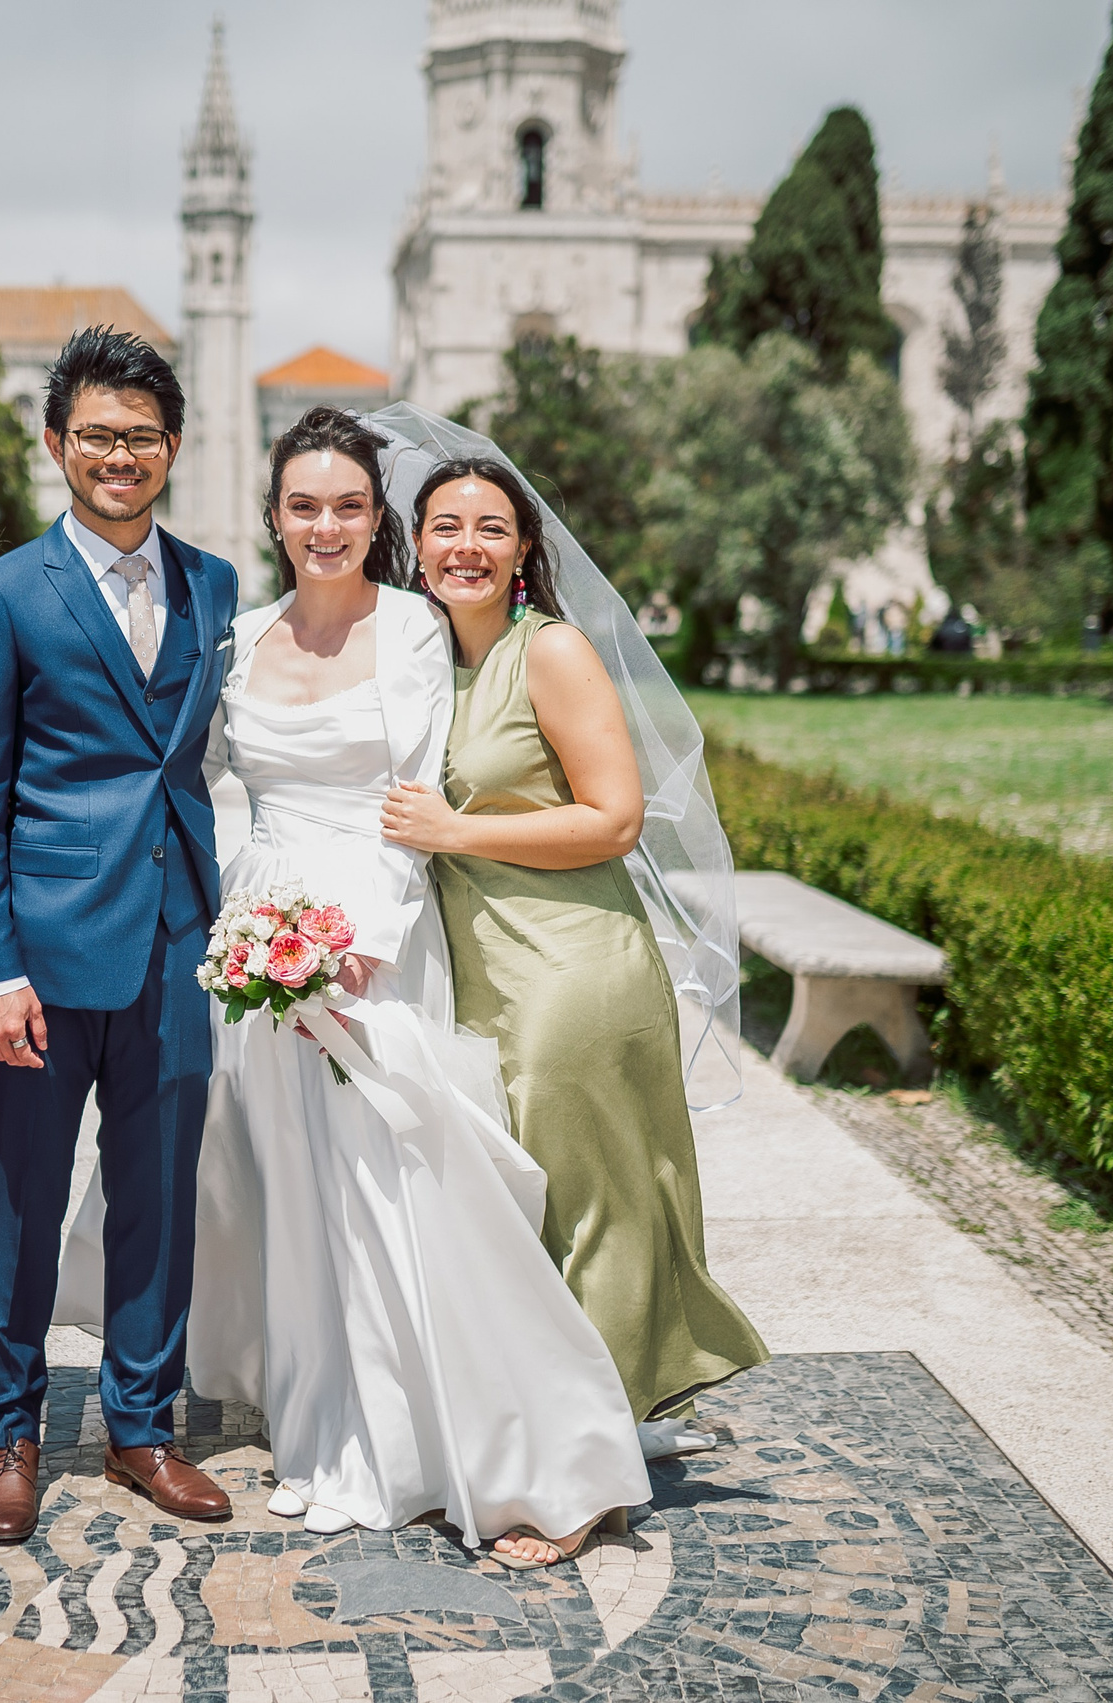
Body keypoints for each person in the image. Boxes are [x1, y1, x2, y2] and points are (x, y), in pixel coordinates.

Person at [62, 408, 649, 1569]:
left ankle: (511, 1443)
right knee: (291, 1181)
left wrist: (357, 942)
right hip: (256, 936)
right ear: (274, 515)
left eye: (346, 505)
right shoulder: (242, 631)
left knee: (399, 1179)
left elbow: (419, 790)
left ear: (375, 518)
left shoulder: (417, 630)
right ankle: (322, 1425)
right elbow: (220, 786)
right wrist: (237, 920)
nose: (324, 525)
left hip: (371, 934)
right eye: (302, 505)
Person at [382, 454, 771, 1442]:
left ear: (522, 553)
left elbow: (615, 818)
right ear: (415, 543)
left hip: (572, 964)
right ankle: (571, 1413)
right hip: (480, 966)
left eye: (490, 528)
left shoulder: (546, 650)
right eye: (445, 526)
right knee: (524, 1209)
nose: (466, 545)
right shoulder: (422, 660)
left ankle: (588, 1460)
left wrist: (455, 831)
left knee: (593, 1204)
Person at [0, 327, 242, 1545]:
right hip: (44, 956)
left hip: (175, 939)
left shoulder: (213, 585)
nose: (121, 455)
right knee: (21, 1198)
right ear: (57, 442)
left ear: (172, 447)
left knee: (158, 1199)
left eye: (143, 436)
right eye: (98, 435)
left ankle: (141, 1425)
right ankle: (7, 1434)